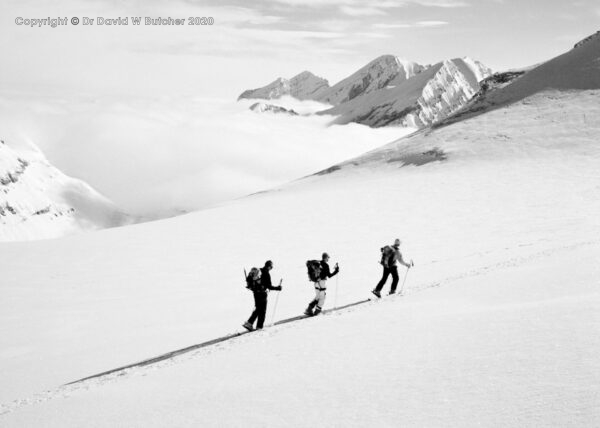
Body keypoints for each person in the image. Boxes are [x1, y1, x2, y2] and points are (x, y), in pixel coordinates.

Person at [243, 260, 282, 331]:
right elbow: (269, 286)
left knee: (258, 308)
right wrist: (278, 288)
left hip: (255, 293)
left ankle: (249, 323)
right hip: (262, 293)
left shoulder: (259, 270)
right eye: (271, 267)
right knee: (262, 311)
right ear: (269, 267)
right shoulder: (266, 274)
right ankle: (259, 327)